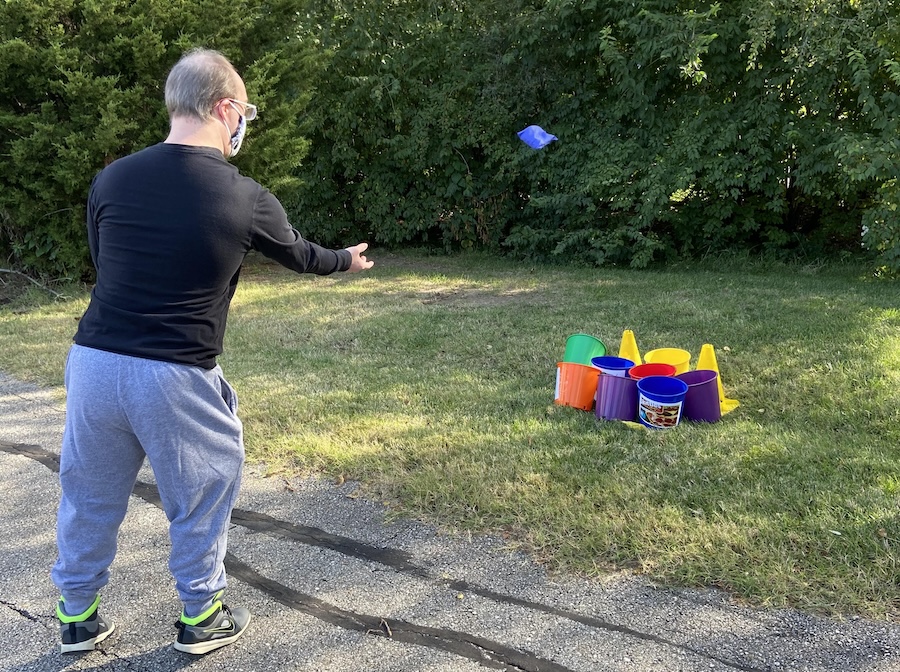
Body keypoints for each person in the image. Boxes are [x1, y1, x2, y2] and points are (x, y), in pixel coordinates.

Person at [52, 48, 374, 655]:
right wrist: (347, 260)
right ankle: (202, 615)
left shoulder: (113, 176)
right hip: (175, 372)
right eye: (244, 111)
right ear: (225, 108)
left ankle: (77, 614)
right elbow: (300, 255)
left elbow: (104, 257)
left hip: (93, 360)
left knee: (88, 491)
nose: (243, 123)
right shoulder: (244, 195)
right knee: (202, 488)